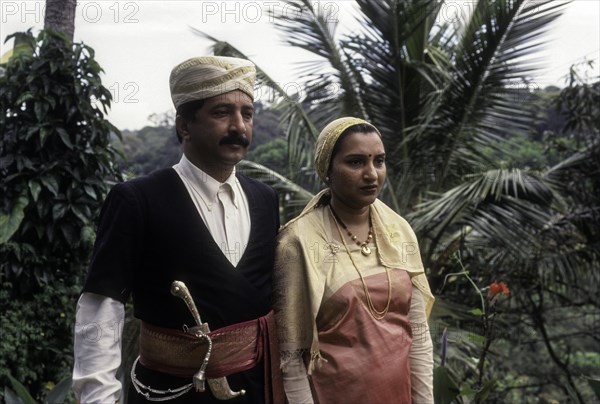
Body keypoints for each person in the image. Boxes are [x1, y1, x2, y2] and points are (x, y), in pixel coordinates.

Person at [73, 56, 284, 404]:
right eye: (222, 113)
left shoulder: (265, 198)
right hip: (167, 393)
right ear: (184, 126)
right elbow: (101, 306)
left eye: (247, 114)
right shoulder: (137, 199)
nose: (239, 126)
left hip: (255, 390)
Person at [274, 117, 435, 403]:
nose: (372, 174)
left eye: (379, 161)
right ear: (328, 170)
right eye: (356, 162)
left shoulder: (398, 230)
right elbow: (291, 357)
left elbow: (419, 336)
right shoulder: (298, 241)